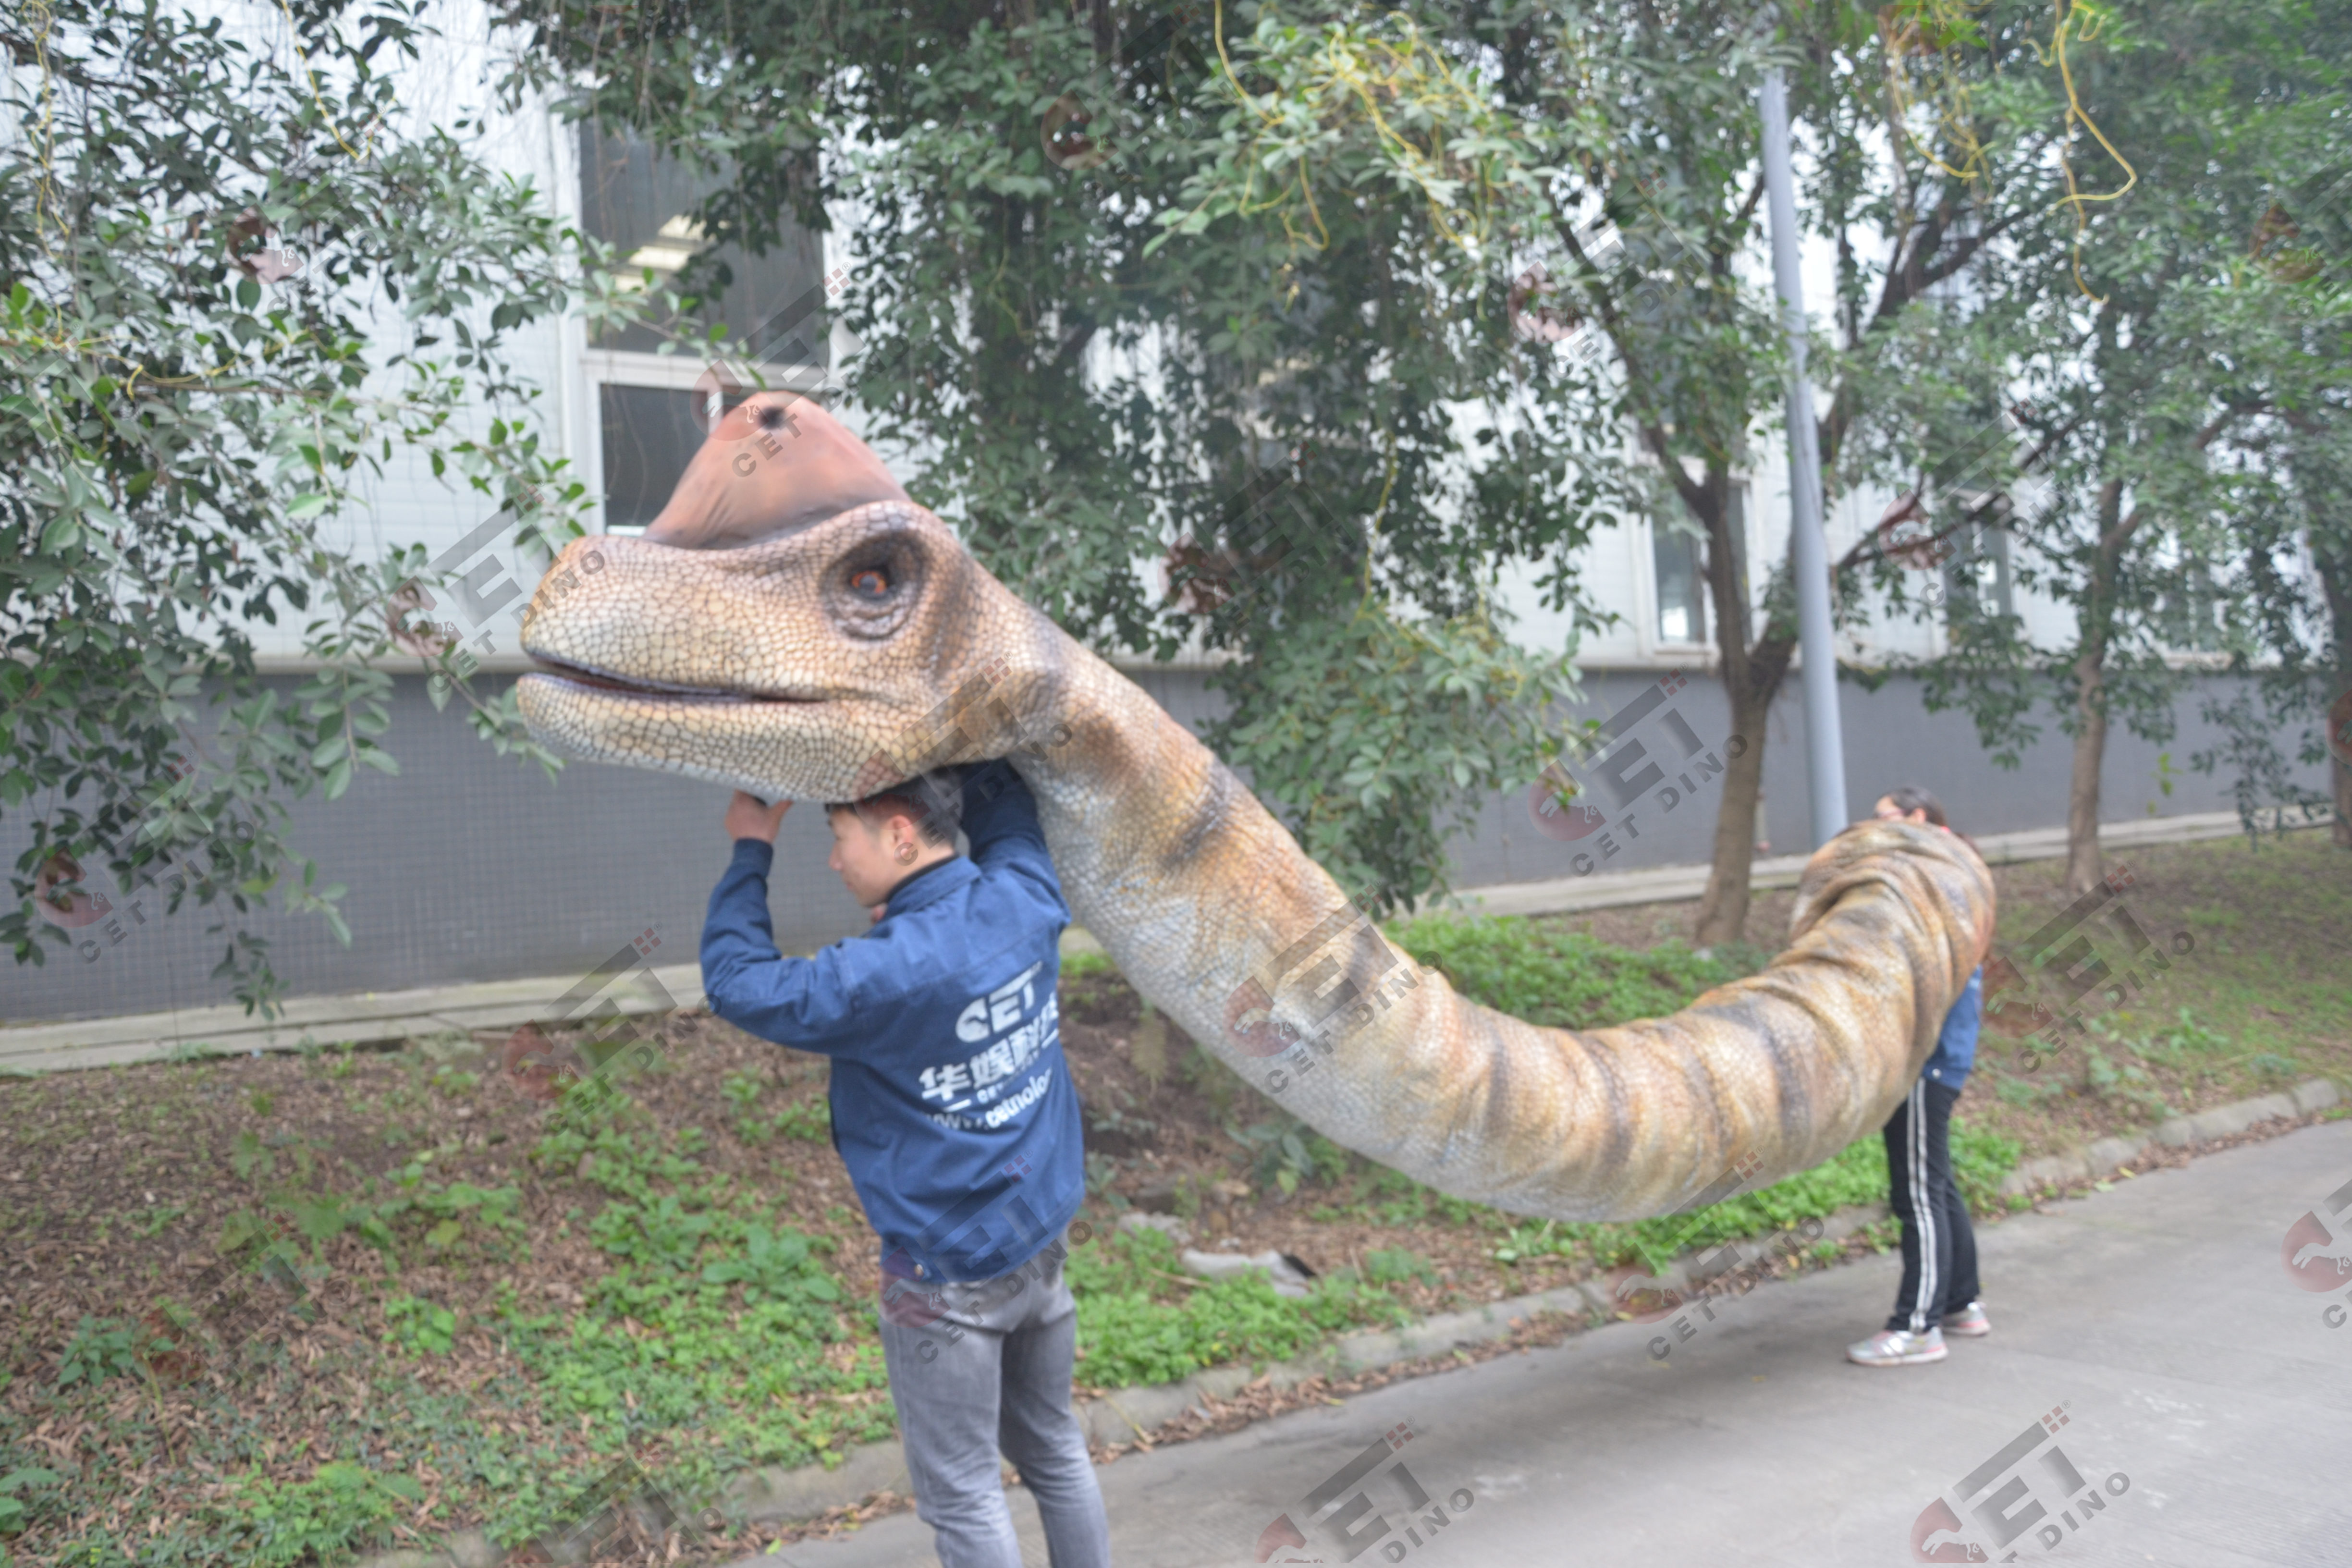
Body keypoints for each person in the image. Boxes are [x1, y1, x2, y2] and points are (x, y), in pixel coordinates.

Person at [700, 762, 1110, 1568]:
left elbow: (736, 980)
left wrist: (751, 847)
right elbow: (1007, 796)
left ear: (897, 833)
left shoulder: (874, 978)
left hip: (944, 1279)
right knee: (1056, 1448)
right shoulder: (1025, 892)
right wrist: (943, 734)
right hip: (1041, 1244)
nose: (833, 858)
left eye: (838, 834)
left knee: (963, 1492)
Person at [1847, 784, 1990, 1369]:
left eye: (1886, 818)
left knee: (1918, 1194)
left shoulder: (1933, 876)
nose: (1875, 827)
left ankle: (1916, 1327)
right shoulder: (1955, 869)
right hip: (1942, 1052)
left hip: (1926, 1057)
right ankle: (1961, 1302)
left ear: (1919, 818)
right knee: (1938, 1183)